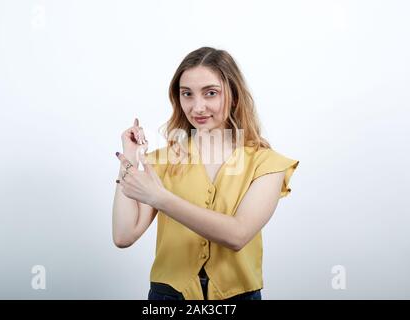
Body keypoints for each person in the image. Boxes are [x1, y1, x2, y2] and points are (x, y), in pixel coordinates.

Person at [112, 47, 299, 300]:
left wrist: (161, 198)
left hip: (238, 297)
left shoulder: (266, 163)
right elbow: (124, 235)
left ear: (233, 96)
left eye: (211, 93)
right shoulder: (162, 160)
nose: (197, 107)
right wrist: (130, 159)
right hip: (169, 297)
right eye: (187, 94)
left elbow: (238, 234)